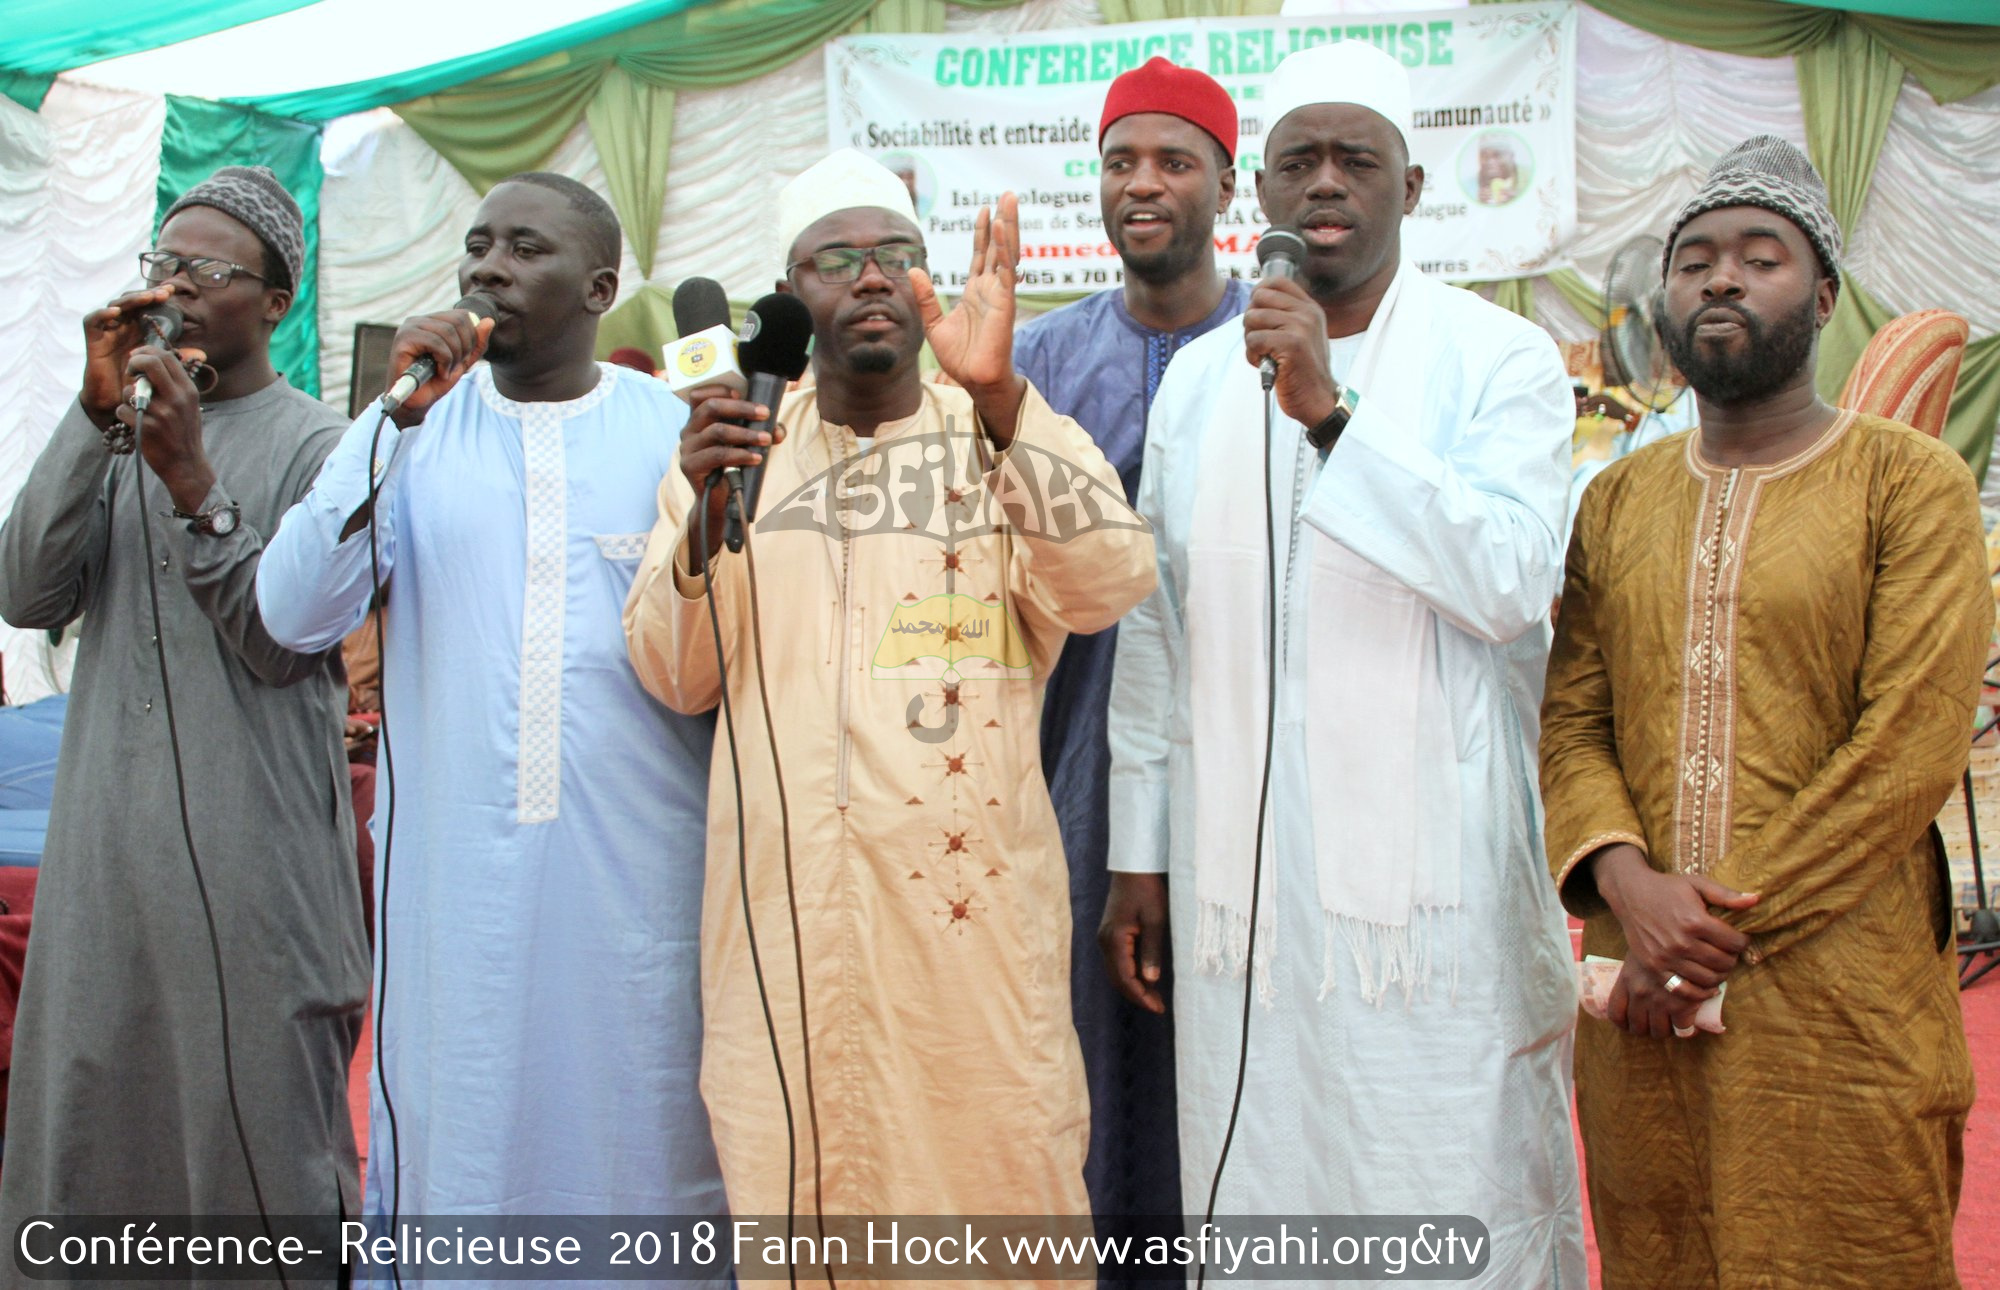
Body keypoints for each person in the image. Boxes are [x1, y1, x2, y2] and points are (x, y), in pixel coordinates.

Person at [1102, 41, 1586, 1285]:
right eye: (1295, 162)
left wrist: (1329, 413)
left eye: (1353, 159)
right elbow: (1159, 623)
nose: (1323, 183)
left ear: (1411, 189)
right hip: (1237, 889)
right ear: (1257, 198)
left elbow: (1510, 580)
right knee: (1260, 1185)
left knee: (1443, 1182)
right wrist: (1137, 854)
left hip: (1437, 899)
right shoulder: (1203, 380)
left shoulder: (1501, 360)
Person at [623, 149, 1155, 1245]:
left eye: (895, 255)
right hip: (784, 932)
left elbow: (1108, 585)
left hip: (966, 937)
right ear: (790, 294)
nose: (869, 277)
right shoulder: (730, 446)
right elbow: (678, 674)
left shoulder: (997, 428)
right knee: (800, 1201)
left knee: (993, 1194)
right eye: (836, 258)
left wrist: (1003, 398)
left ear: (925, 282)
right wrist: (701, 517)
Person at [255, 172, 727, 1271]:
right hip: (455, 895)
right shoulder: (411, 433)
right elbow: (291, 610)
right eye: (477, 247)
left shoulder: (671, 432)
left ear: (600, 286)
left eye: (525, 248)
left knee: (644, 1137)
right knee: (463, 1143)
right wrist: (387, 419)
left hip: (647, 880)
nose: (487, 269)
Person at [1541, 136, 1986, 1289]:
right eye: (1692, 260)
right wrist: (1630, 893)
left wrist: (1697, 938)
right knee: (1660, 1247)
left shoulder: (1907, 481)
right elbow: (1571, 717)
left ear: (1824, 295)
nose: (1719, 280)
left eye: (1759, 256)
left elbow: (1908, 744)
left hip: (1837, 995)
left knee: (1851, 1248)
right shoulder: (1617, 498)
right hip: (1636, 1000)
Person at [0, 166, 367, 1259]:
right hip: (108, 863)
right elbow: (25, 592)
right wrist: (92, 412)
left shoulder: (325, 445)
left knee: (253, 1144)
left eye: (210, 270)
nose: (176, 289)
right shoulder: (121, 430)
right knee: (94, 1139)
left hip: (257, 865)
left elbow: (277, 641)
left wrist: (193, 478)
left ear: (275, 302)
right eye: (164, 264)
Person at [1010, 56, 1246, 1240]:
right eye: (1118, 163)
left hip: (1246, 762)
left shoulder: (1277, 344)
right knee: (1091, 1056)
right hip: (1075, 770)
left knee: (1240, 1041)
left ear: (1223, 182)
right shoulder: (1038, 363)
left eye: (1170, 161)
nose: (1140, 185)